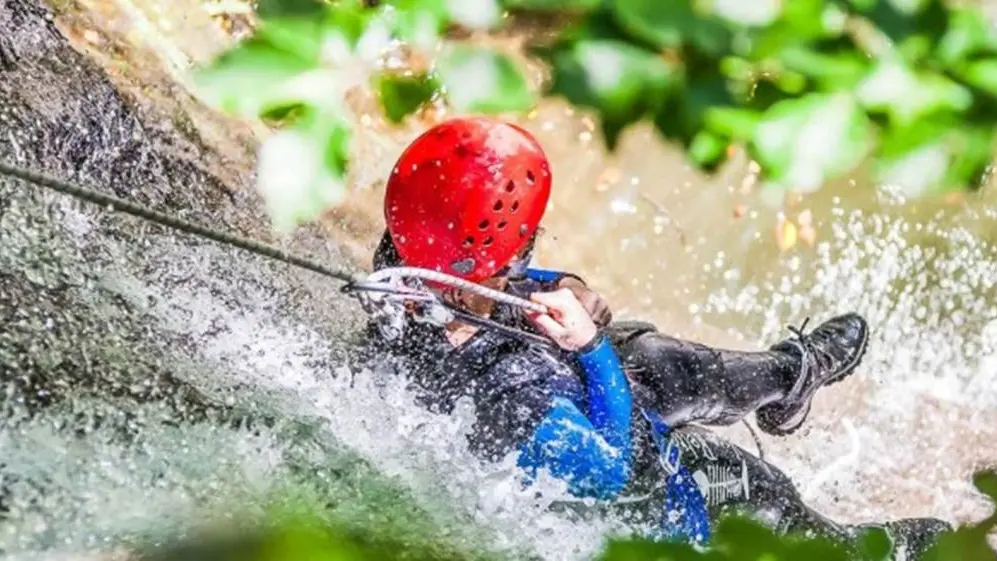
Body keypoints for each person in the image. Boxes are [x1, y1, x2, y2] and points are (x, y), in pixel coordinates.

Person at [349, 116, 952, 555]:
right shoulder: (511, 396)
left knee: (653, 357)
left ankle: (790, 376)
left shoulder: (412, 270)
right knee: (745, 480)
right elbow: (627, 473)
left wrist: (562, 284)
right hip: (651, 506)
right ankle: (864, 552)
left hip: (565, 399)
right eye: (525, 245)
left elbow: (483, 279)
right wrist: (589, 348)